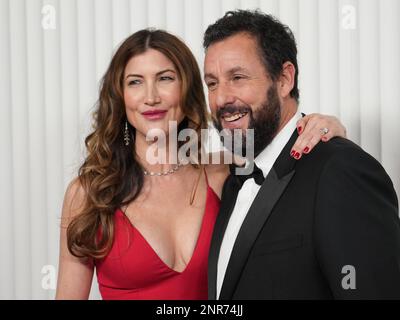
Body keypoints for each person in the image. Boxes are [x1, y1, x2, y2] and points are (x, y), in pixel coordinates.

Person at [55, 28, 347, 300]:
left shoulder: (224, 172)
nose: (151, 96)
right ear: (120, 97)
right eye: (135, 82)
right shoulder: (89, 194)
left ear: (187, 89)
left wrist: (326, 125)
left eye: (165, 78)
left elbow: (282, 152)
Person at [204, 9, 400, 300]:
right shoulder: (233, 181)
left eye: (238, 77)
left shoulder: (341, 169)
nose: (221, 98)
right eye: (212, 83)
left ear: (284, 80)